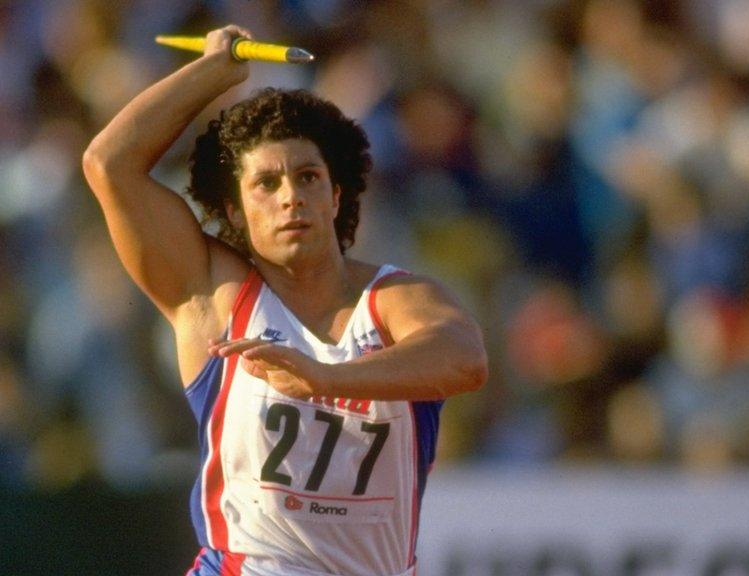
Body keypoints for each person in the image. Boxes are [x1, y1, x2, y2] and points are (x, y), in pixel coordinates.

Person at [82, 25, 487, 576]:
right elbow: (110, 164)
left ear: (336, 194)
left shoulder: (395, 297)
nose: (291, 196)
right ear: (232, 212)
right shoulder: (213, 293)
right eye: (265, 185)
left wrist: (322, 379)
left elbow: (464, 359)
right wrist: (213, 73)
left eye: (308, 177)